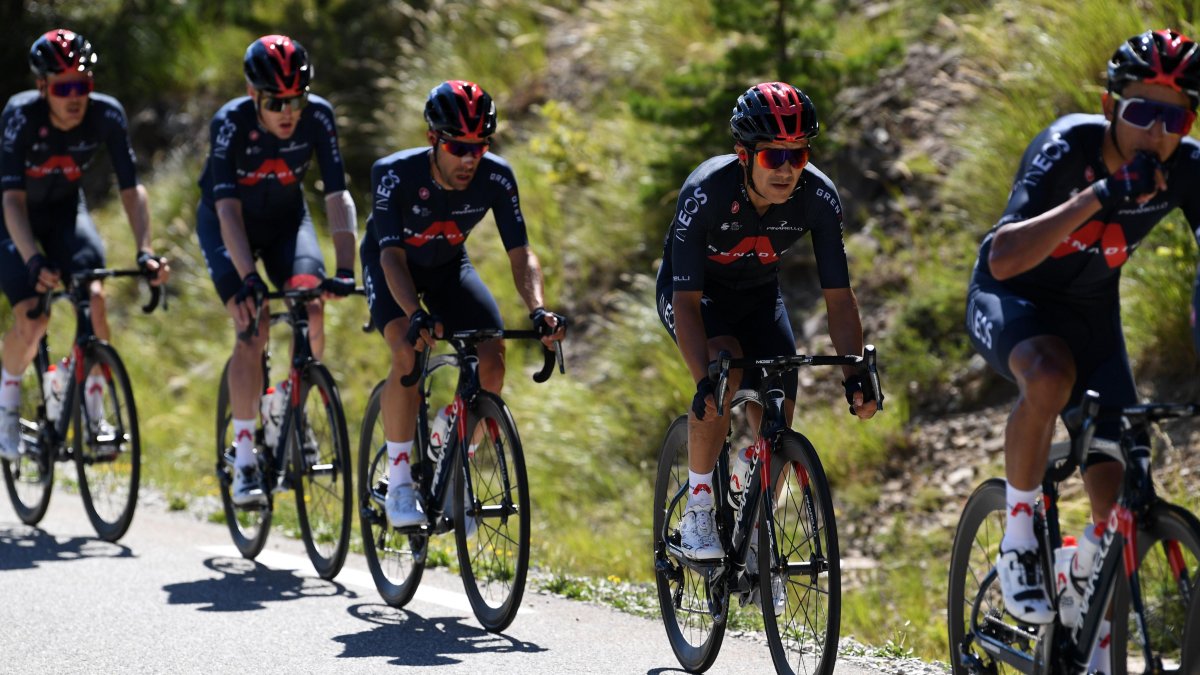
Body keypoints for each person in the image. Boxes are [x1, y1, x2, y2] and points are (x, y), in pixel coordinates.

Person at [965, 28, 1200, 666]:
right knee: (1048, 375)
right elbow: (1005, 257)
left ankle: (1089, 608)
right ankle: (1019, 535)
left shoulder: (1187, 169)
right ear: (1108, 107)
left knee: (1117, 482)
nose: (1156, 132)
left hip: (1092, 317)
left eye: (1173, 116)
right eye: (1141, 111)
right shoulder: (1068, 147)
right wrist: (1101, 194)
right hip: (1012, 300)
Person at [654, 81, 877, 611]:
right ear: (744, 155)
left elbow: (840, 300)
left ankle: (757, 533)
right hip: (695, 299)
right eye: (774, 155)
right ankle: (701, 507)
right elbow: (685, 304)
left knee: (781, 402)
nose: (787, 168)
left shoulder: (817, 197)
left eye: (798, 154)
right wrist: (703, 380)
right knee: (724, 365)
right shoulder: (706, 191)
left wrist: (854, 374)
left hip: (758, 298)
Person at [361, 80, 565, 528]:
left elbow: (520, 253)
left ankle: (453, 459)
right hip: (391, 267)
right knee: (406, 351)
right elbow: (390, 255)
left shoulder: (496, 176)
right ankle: (398, 482)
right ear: (433, 139)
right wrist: (414, 315)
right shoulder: (394, 174)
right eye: (458, 147)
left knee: (491, 360)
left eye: (480, 145)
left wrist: (538, 309)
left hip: (449, 268)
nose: (470, 158)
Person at [196, 34, 358, 505]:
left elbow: (337, 196)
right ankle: (245, 459)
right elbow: (226, 210)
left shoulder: (319, 117)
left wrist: (345, 267)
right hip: (231, 226)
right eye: (275, 102)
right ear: (254, 95)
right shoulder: (230, 123)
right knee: (254, 324)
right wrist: (248, 277)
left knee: (311, 309)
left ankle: (289, 408)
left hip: (288, 222)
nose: (289, 111)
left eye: (297, 98)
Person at [0, 29, 169, 462]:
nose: (76, 97)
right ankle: (7, 399)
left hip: (64, 212)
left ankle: (93, 415)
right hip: (13, 217)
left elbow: (132, 190)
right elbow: (13, 200)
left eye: (83, 84)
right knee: (32, 321)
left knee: (94, 297)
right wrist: (33, 258)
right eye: (64, 88)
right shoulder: (21, 117)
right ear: (43, 87)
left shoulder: (106, 115)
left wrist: (145, 250)